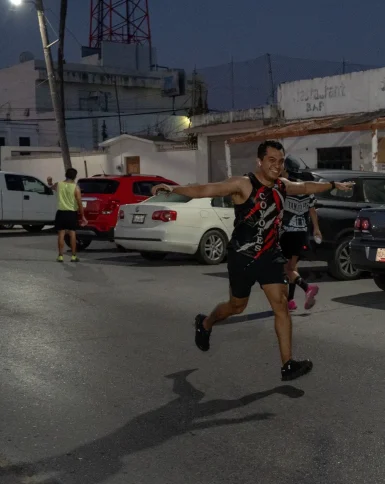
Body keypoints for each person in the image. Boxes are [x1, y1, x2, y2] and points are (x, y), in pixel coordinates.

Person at [150, 140, 354, 381]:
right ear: (259, 161)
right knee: (236, 306)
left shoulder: (282, 186)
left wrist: (333, 184)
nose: (277, 166)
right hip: (242, 256)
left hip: (270, 256)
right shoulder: (243, 184)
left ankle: (288, 365)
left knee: (281, 306)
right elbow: (206, 189)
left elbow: (306, 186)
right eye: (271, 160)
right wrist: (173, 189)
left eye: (280, 161)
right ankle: (205, 322)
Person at [279, 156, 321, 311]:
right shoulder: (306, 187)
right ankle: (290, 300)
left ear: (286, 169)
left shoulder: (284, 187)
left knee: (286, 269)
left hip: (286, 233)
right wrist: (316, 228)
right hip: (301, 232)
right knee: (293, 266)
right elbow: (312, 210)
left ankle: (307, 287)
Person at [48, 168, 87, 262]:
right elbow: (79, 202)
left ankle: (60, 256)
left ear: (66, 174)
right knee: (72, 233)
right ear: (75, 176)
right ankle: (73, 256)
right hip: (71, 213)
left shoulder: (58, 184)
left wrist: (49, 182)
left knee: (61, 234)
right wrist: (83, 216)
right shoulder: (76, 187)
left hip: (61, 212)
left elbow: (51, 187)